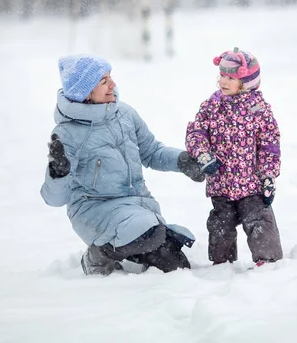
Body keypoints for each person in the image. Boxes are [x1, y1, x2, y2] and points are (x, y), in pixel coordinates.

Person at [41, 55, 205, 276]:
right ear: (86, 91)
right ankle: (99, 254)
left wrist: (183, 161)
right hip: (95, 210)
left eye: (111, 77)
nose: (113, 84)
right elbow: (55, 199)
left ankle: (137, 245)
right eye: (104, 81)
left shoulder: (125, 114)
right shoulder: (67, 133)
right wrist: (58, 172)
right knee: (149, 233)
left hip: (138, 209)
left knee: (176, 265)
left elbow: (152, 151)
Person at [185, 47, 283, 267]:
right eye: (221, 75)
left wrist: (268, 176)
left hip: (252, 184)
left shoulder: (258, 109)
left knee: (259, 221)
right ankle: (222, 264)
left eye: (230, 77)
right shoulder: (212, 106)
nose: (223, 81)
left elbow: (269, 145)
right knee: (221, 225)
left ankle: (267, 261)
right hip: (221, 183)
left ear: (246, 82)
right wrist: (202, 153)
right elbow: (196, 131)